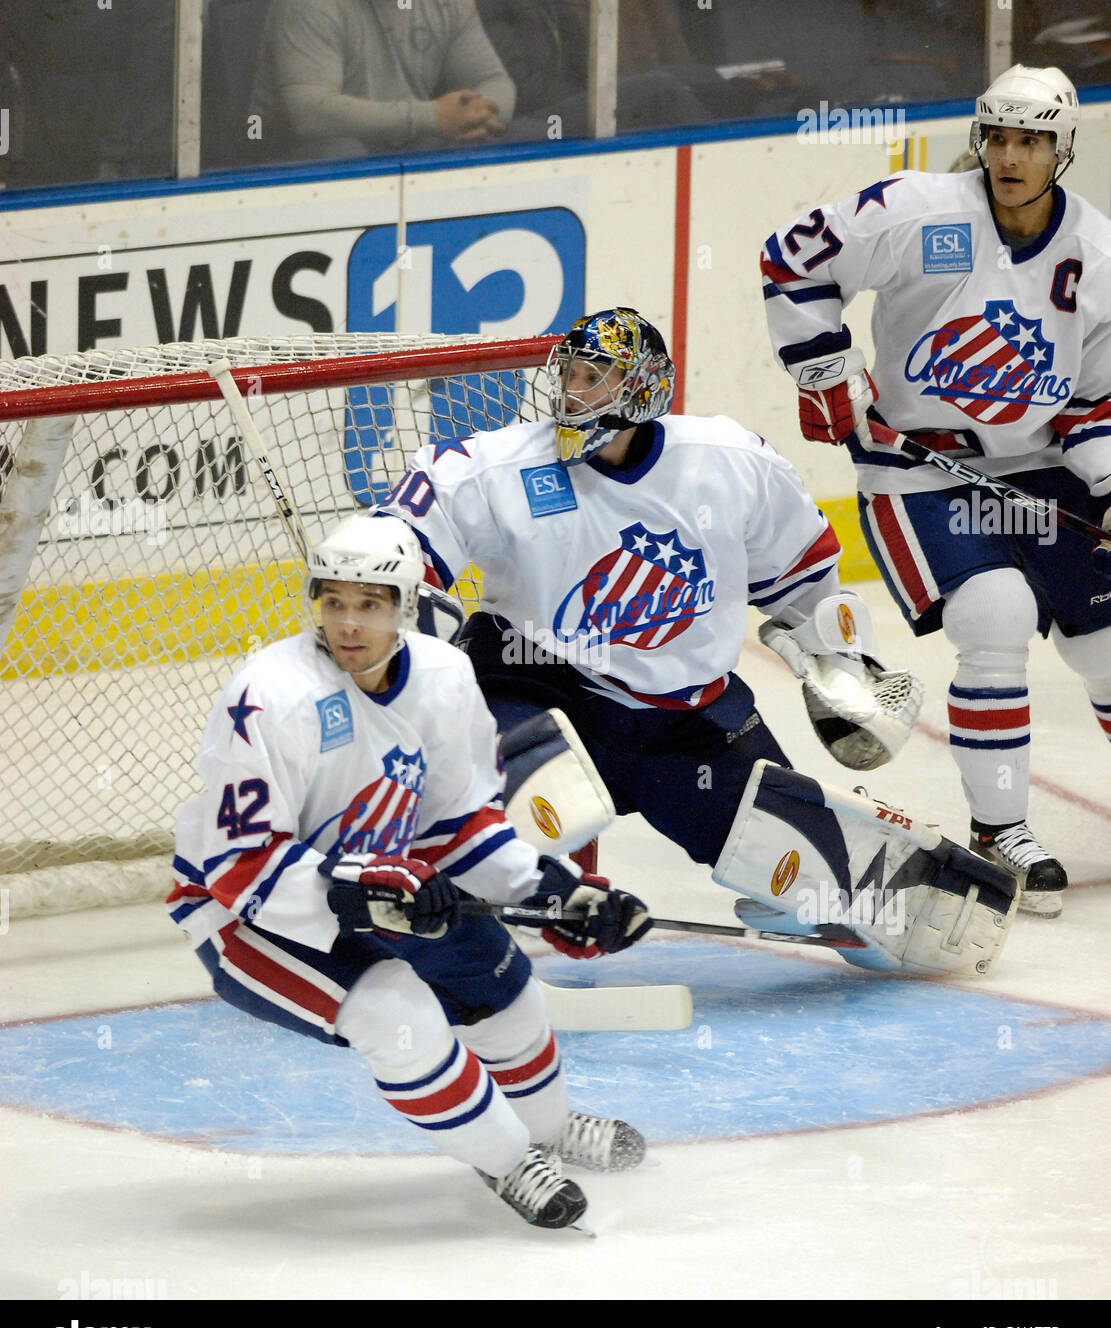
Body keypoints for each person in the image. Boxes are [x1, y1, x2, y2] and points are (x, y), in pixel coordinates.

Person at [375, 307, 1019, 978]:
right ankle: (438, 928)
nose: (571, 392)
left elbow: (799, 577)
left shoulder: (727, 460)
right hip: (539, 689)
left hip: (688, 727)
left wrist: (836, 664)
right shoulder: (498, 469)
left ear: (641, 389)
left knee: (834, 885)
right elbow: (398, 549)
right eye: (568, 373)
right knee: (500, 804)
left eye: (592, 378)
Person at [167, 512, 651, 1231]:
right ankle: (508, 1159)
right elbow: (240, 867)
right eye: (334, 602)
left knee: (506, 993)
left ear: (406, 609)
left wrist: (553, 893)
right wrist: (357, 888)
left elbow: (459, 824)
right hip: (246, 915)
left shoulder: (445, 677)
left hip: (391, 884)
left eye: (370, 605)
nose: (348, 624)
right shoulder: (269, 695)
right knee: (396, 1011)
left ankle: (546, 1130)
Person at [762, 63, 1111, 918]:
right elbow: (790, 258)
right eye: (995, 136)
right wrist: (824, 373)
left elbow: (1094, 403)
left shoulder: (1095, 254)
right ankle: (1000, 829)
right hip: (918, 466)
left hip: (1039, 465)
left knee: (1107, 646)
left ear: (1061, 149)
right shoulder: (916, 211)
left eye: (1029, 140)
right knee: (990, 614)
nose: (1007, 155)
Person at [250, 0, 514, 162]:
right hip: (295, 154)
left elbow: (492, 79)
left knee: (517, 138)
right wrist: (432, 118)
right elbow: (309, 113)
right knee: (344, 154)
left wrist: (476, 118)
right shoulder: (309, 5)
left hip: (406, 143)